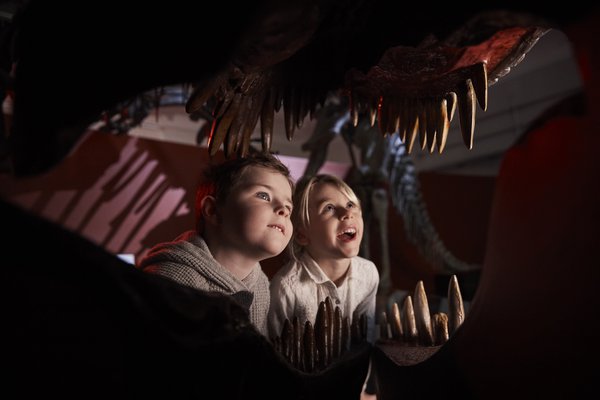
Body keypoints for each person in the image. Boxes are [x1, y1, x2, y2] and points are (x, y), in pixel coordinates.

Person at [138, 152, 294, 336]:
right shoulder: (172, 282)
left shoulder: (260, 287)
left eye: (289, 207)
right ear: (212, 210)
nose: (283, 210)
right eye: (264, 195)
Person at [268, 174, 379, 343]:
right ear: (301, 234)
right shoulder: (285, 289)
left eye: (350, 205)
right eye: (329, 208)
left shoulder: (369, 273)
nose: (348, 213)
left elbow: (365, 340)